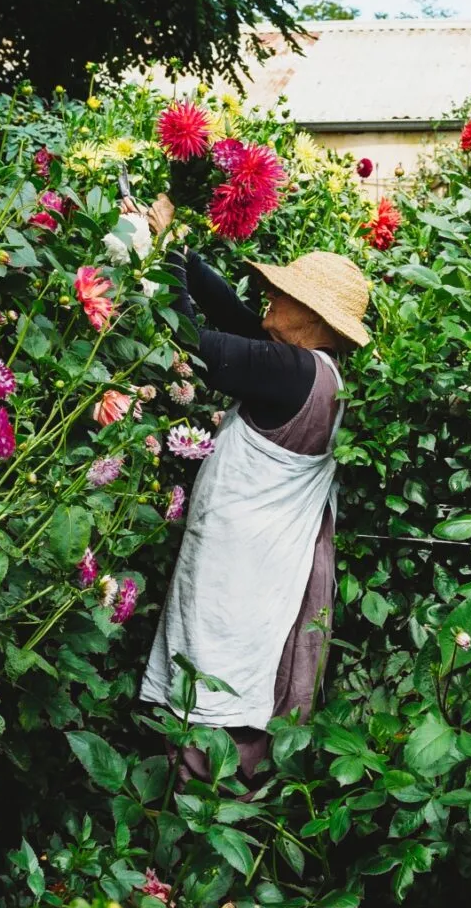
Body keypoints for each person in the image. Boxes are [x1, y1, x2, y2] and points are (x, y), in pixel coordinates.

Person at [140, 245, 371, 778]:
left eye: (283, 294)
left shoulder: (291, 371)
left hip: (241, 568)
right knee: (239, 683)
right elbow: (235, 317)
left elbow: (197, 345)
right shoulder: (321, 372)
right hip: (268, 567)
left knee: (214, 688)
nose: (270, 297)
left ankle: (193, 810)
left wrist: (168, 268)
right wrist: (181, 252)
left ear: (312, 313)